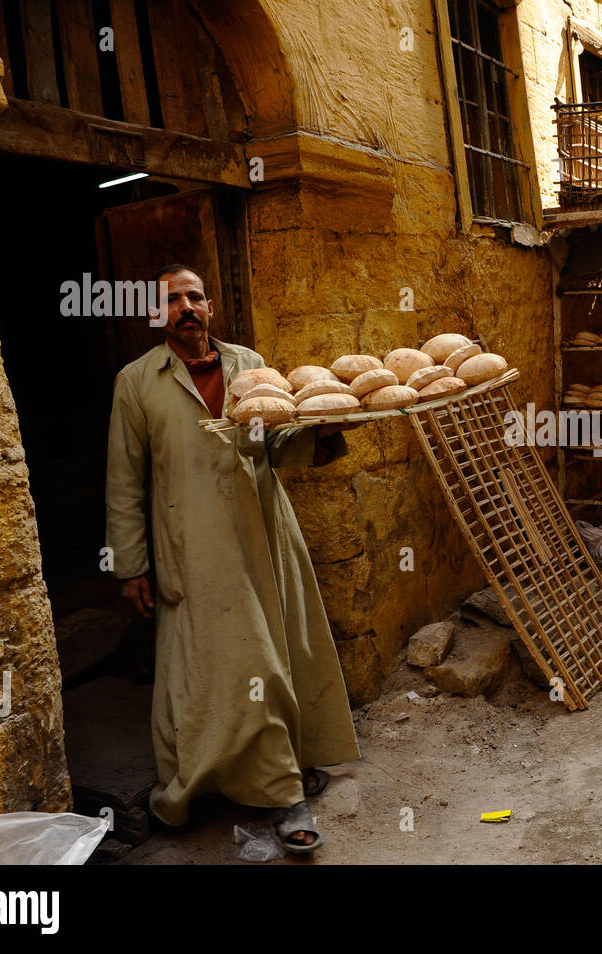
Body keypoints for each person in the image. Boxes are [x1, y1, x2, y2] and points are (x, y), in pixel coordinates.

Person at [105, 263, 358, 853]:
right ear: (156, 314)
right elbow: (124, 482)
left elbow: (277, 445)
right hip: (191, 546)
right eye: (172, 300)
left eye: (195, 297)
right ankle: (280, 794)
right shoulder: (136, 381)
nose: (185, 307)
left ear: (211, 308)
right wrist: (131, 565)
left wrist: (321, 432)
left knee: (282, 652)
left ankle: (281, 765)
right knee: (240, 666)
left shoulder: (249, 364)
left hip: (264, 533)